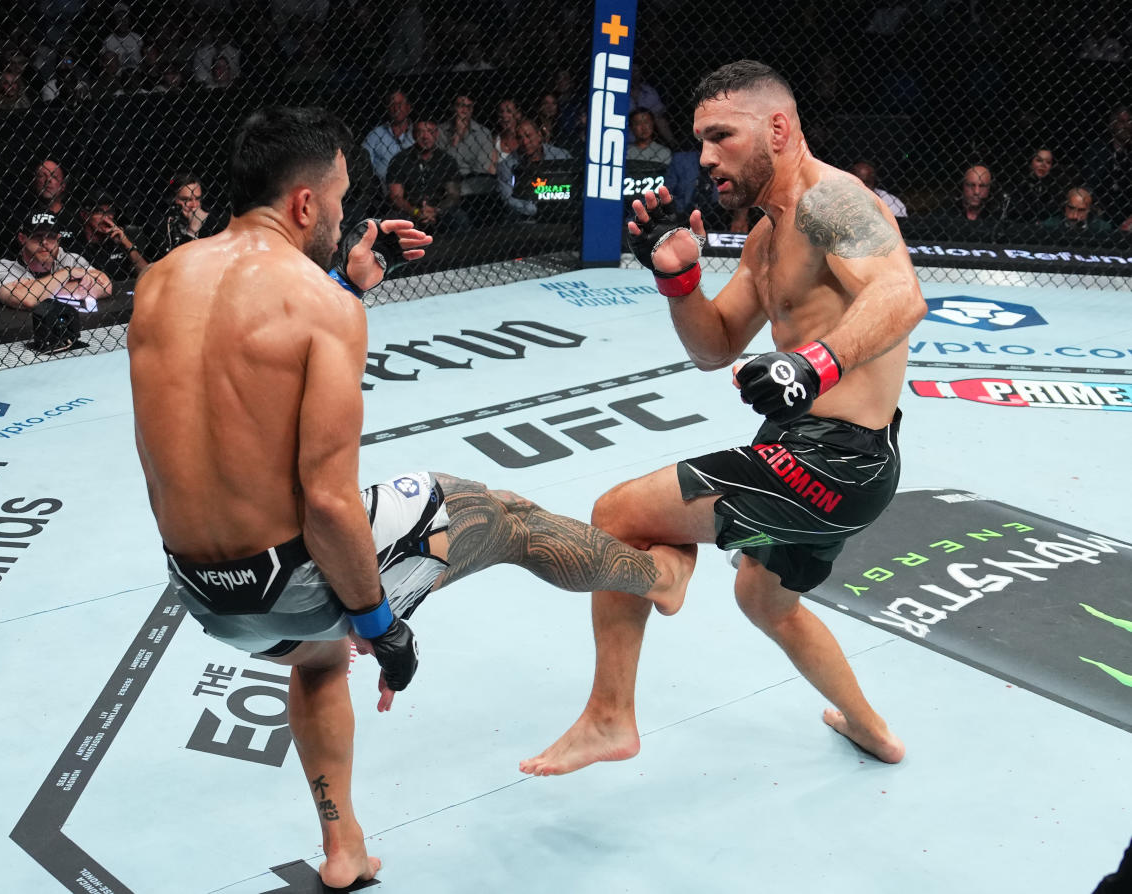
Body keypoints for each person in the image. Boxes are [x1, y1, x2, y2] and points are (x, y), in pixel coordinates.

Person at [127, 105, 695, 888]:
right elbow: (326, 502)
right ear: (302, 203)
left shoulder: (158, 283)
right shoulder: (320, 308)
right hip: (295, 583)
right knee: (498, 516)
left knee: (320, 664)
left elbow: (239, 374)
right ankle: (660, 580)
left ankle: (343, 847)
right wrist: (380, 624)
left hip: (203, 596)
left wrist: (348, 282)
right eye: (337, 197)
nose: (341, 215)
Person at [523, 60, 926, 778]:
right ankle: (874, 730)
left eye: (721, 136)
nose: (705, 157)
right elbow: (714, 346)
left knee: (617, 515)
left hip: (834, 458)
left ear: (777, 127)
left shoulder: (832, 201)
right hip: (814, 449)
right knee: (763, 600)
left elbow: (901, 296)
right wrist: (678, 280)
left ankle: (610, 716)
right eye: (701, 140)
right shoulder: (768, 238)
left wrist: (815, 365)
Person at [0, 210, 112, 310]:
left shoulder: (69, 258)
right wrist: (67, 273)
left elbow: (105, 286)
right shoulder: (5, 266)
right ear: (22, 239)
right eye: (37, 236)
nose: (44, 242)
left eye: (51, 236)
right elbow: (26, 300)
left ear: (58, 239)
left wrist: (39, 291)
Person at [385, 119, 468, 233]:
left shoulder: (446, 160)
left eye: (430, 132)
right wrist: (416, 212)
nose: (425, 136)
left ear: (437, 134)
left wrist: (436, 210)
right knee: (395, 221)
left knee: (459, 218)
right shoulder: (400, 159)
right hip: (409, 210)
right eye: (420, 132)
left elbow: (453, 195)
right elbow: (396, 197)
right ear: (414, 135)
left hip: (438, 209)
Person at [149, 173, 225, 260]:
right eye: (187, 200)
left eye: (198, 198)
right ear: (173, 200)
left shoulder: (212, 219)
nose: (194, 205)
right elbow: (174, 262)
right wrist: (191, 232)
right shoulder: (160, 224)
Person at [76, 192, 150, 281]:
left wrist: (126, 244)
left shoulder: (122, 239)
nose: (107, 217)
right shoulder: (75, 244)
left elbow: (148, 276)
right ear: (85, 215)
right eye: (100, 211)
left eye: (110, 211)